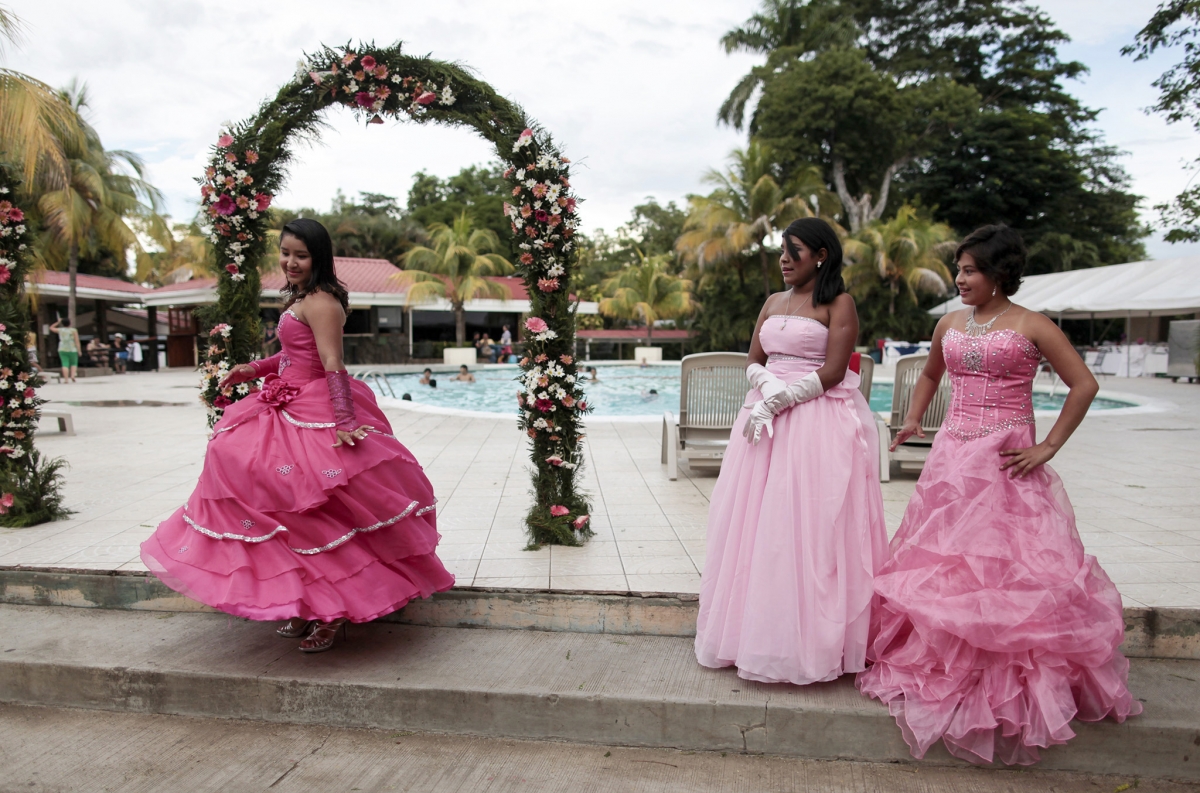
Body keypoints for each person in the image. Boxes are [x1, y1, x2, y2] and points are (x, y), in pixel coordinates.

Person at [856, 225, 1140, 766]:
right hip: (952, 457)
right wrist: (915, 418)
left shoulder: (1033, 324)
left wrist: (1050, 446)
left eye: (970, 270)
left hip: (1007, 457)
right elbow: (931, 374)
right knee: (946, 564)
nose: (960, 279)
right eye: (958, 270)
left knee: (1008, 566)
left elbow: (1085, 384)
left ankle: (1008, 678)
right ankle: (947, 664)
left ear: (999, 273)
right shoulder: (949, 323)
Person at [140, 218, 454, 653]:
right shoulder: (302, 297)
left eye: (300, 255)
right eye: (285, 252)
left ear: (318, 258)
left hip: (315, 408)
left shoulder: (323, 301)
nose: (290, 261)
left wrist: (344, 420)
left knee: (312, 508)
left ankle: (332, 613)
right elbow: (291, 353)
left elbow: (330, 361)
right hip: (283, 402)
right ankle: (305, 602)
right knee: (270, 497)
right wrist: (254, 368)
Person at [695, 217, 889, 686]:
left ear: (820, 255)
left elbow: (836, 368)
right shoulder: (772, 301)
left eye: (794, 250)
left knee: (805, 527)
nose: (784, 258)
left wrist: (781, 399)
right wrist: (763, 389)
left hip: (813, 421)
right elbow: (753, 358)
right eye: (782, 250)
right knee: (756, 526)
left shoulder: (839, 303)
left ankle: (815, 641)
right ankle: (750, 634)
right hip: (760, 423)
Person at [49, 317, 80, 383]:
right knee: (74, 363)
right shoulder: (73, 330)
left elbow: (51, 328)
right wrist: (79, 350)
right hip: (72, 349)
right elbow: (77, 341)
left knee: (65, 364)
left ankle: (66, 379)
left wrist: (58, 322)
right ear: (70, 323)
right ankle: (72, 376)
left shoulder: (60, 330)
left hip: (62, 349)